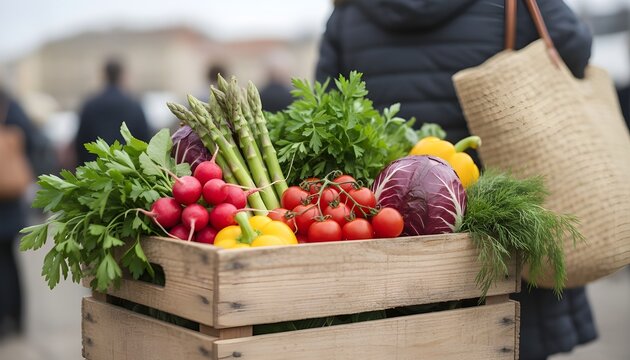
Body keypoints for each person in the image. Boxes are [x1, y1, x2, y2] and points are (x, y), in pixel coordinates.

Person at [316, 1, 596, 359]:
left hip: (393, 231)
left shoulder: (349, 11)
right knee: (510, 337)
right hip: (502, 224)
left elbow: (328, 104)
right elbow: (574, 47)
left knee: (407, 342)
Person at [0, 88, 36, 339]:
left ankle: (4, 317)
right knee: (9, 259)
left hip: (7, 199)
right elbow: (33, 143)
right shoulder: (14, 107)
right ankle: (17, 316)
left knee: (3, 260)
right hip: (12, 198)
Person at [74, 59, 150, 165]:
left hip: (95, 170)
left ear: (104, 75)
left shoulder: (90, 104)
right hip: (129, 171)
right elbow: (144, 139)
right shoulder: (134, 104)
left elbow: (80, 141)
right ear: (122, 75)